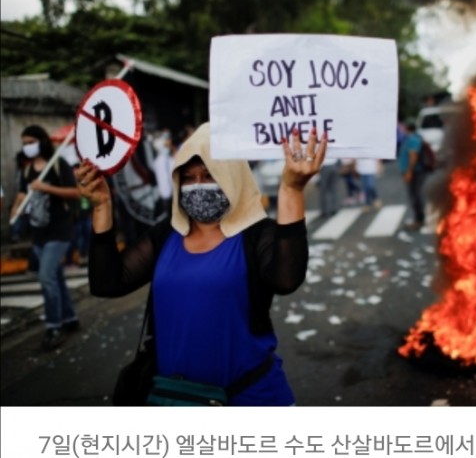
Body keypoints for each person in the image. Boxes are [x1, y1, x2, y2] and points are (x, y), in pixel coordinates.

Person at [78, 123, 327, 406]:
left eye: (210, 175)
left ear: (232, 177)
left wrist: (292, 189)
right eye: (188, 177)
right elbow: (107, 282)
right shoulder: (166, 235)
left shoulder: (258, 234)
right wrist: (101, 207)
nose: (198, 185)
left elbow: (287, 279)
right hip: (176, 400)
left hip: (250, 397)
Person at [9, 125, 81, 350]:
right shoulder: (28, 170)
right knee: (56, 277)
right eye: (24, 142)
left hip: (59, 231)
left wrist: (46, 188)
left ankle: (54, 326)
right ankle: (70, 318)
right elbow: (22, 193)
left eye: (30, 141)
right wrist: (15, 208)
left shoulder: (58, 165)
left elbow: (76, 192)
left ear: (41, 141)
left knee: (46, 277)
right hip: (38, 232)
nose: (27, 146)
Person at [398, 121, 427, 230]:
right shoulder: (410, 139)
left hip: (415, 173)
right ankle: (418, 218)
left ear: (407, 128)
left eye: (402, 128)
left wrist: (409, 171)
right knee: (414, 196)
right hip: (413, 172)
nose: (401, 130)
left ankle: (419, 219)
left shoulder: (413, 139)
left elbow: (413, 156)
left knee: (416, 196)